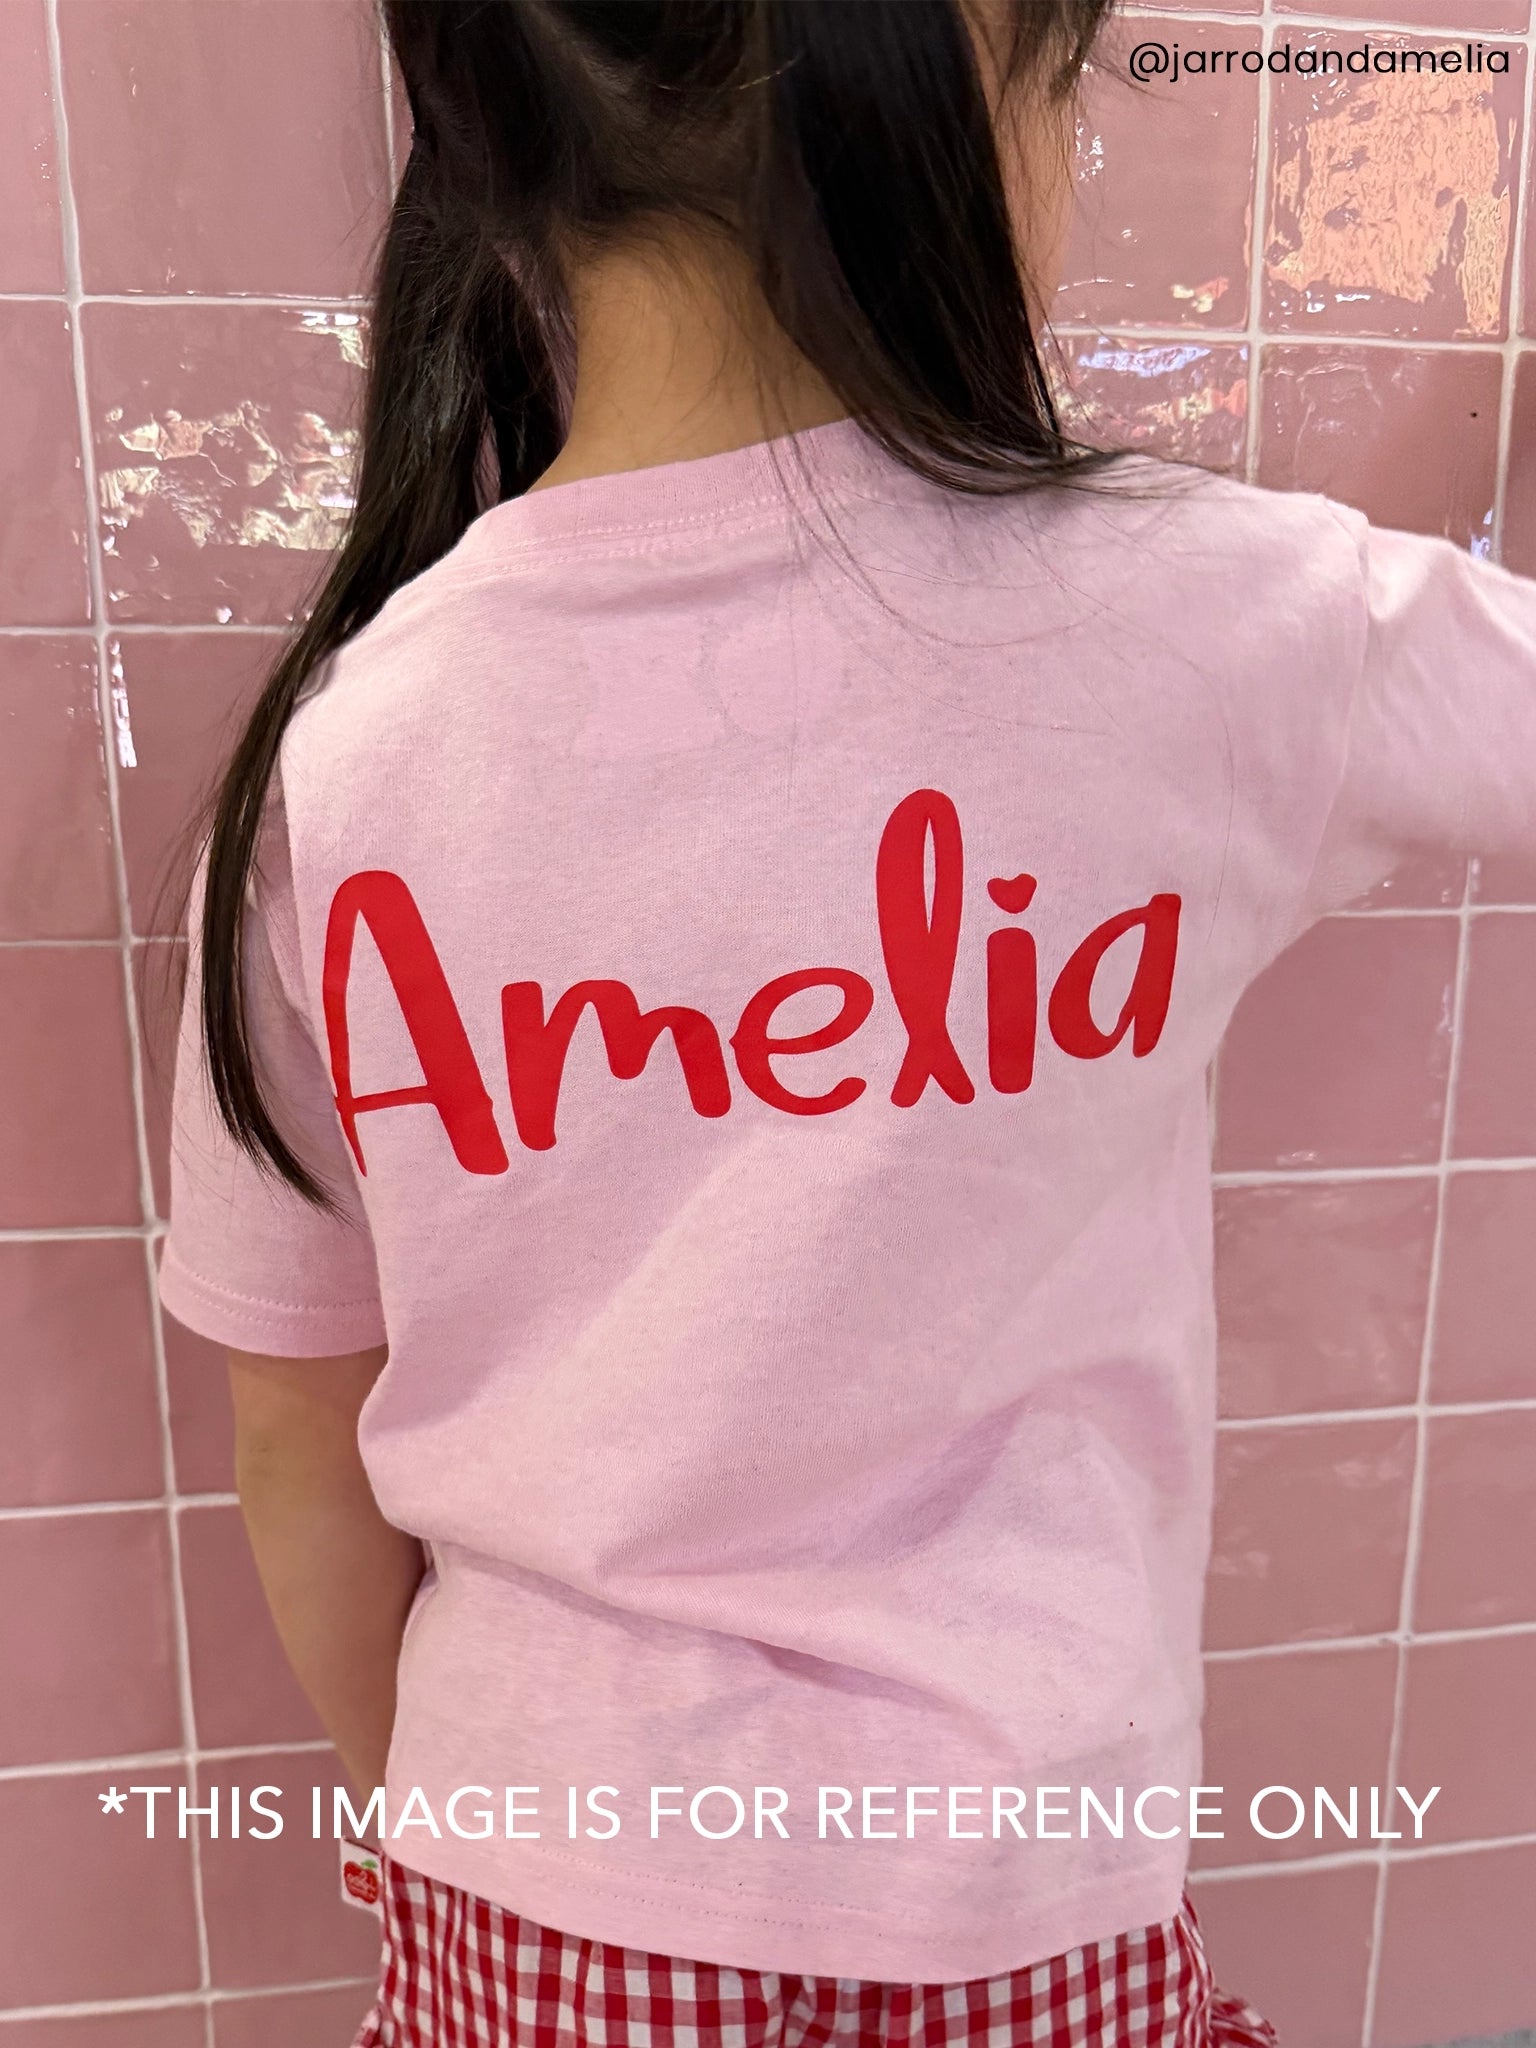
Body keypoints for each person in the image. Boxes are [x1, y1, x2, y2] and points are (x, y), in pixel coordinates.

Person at [157, 3, 1534, 2044]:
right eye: (1073, 88)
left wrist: (444, 1816)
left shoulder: (345, 757)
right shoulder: (1216, 624)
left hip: (521, 1894)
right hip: (1015, 1900)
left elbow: (292, 1422)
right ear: (963, 76)